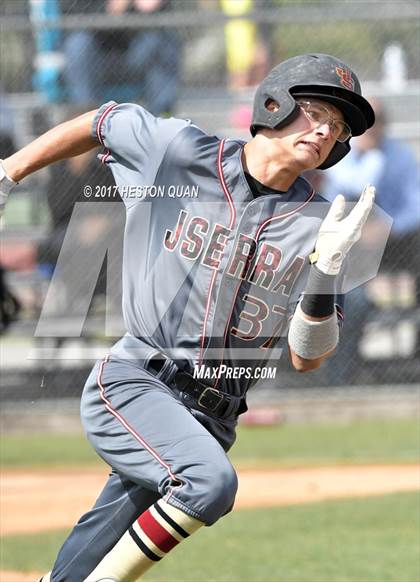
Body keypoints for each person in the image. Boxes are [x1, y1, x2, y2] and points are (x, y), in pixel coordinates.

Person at [1, 53, 377, 581]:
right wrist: (9, 172)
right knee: (209, 485)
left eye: (336, 126)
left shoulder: (321, 226)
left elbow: (307, 357)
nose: (324, 128)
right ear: (274, 102)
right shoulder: (180, 152)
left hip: (214, 417)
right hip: (137, 382)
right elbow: (102, 121)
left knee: (78, 566)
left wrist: (325, 270)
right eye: (315, 110)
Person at [322, 97, 420, 380]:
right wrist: (356, 228)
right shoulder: (338, 157)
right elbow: (328, 204)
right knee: (352, 300)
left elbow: (415, 207)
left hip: (395, 244)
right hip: (349, 251)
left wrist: (387, 226)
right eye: (364, 123)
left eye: (376, 123)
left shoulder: (398, 156)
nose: (370, 129)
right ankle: (340, 378)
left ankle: (412, 365)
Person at [61, 0, 181, 115]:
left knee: (162, 41)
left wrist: (152, 8)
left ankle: (161, 117)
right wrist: (109, 9)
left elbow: (163, 11)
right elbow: (70, 13)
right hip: (96, 59)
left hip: (134, 54)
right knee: (78, 43)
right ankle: (88, 119)